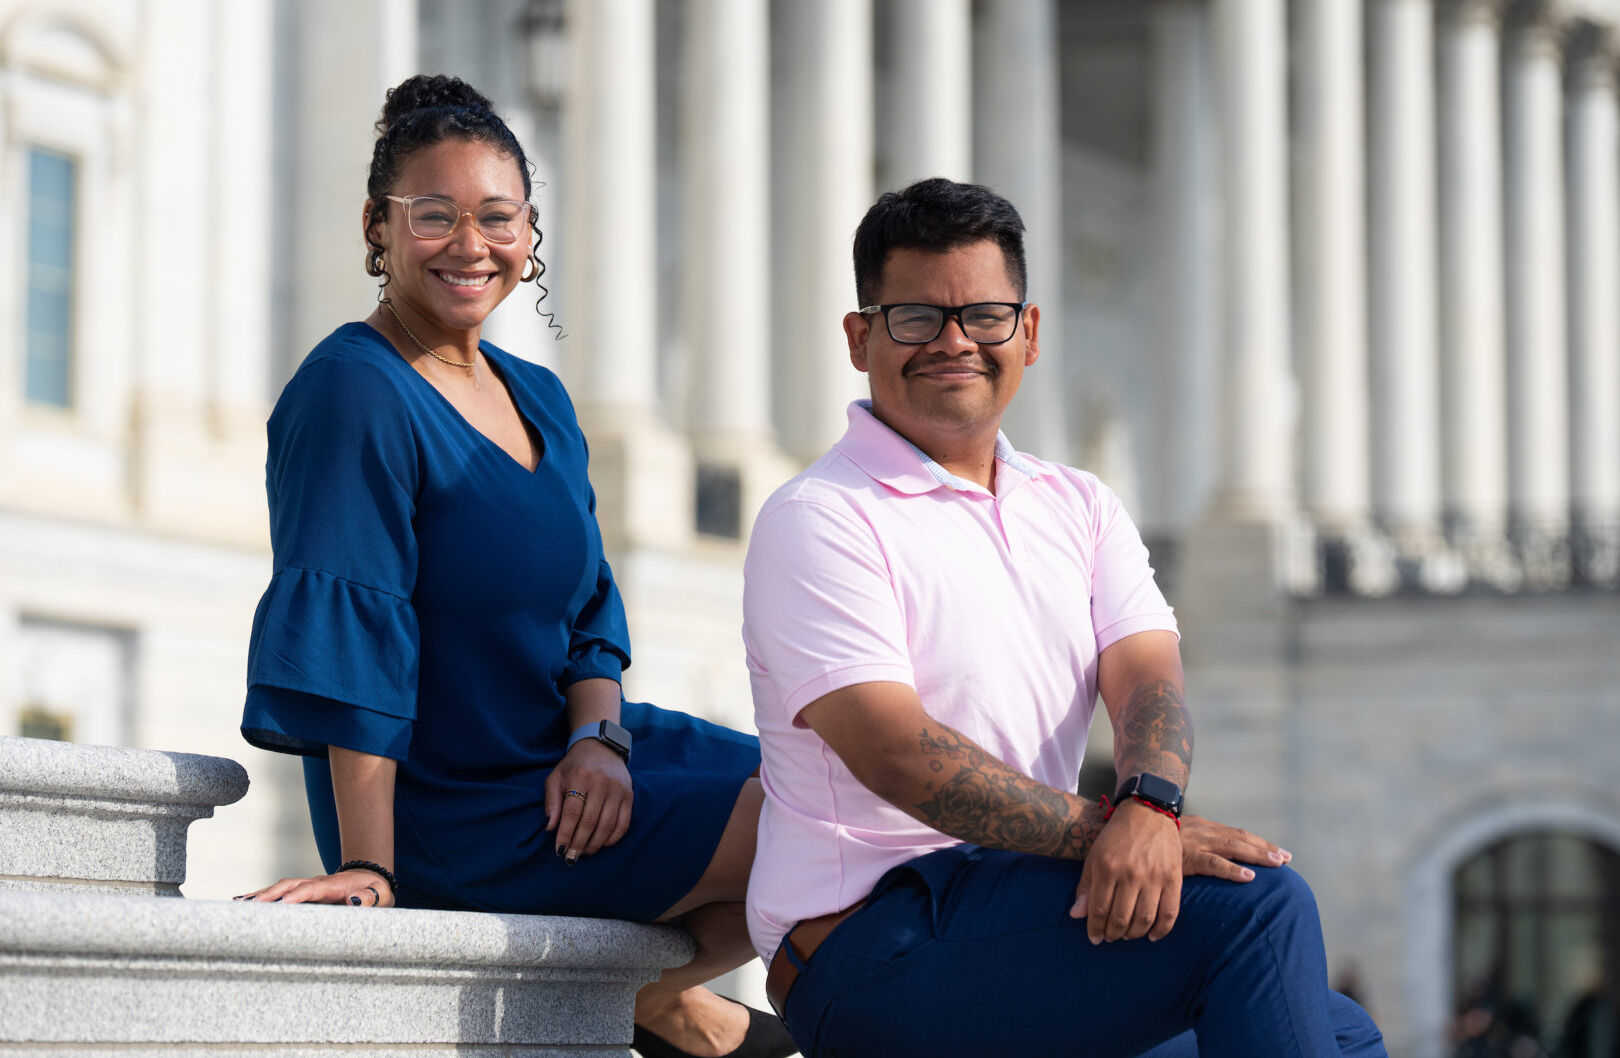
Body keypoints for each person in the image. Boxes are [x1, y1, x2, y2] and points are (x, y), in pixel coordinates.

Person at [740, 177, 1389, 1057]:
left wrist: (1150, 805)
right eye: (915, 318)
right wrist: (1110, 830)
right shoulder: (820, 515)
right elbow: (894, 752)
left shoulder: (1077, 504)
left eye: (984, 316)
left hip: (1017, 911)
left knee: (1338, 1030)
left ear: (1030, 333)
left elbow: (1148, 673)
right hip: (866, 943)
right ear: (861, 339)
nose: (954, 341)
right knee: (1261, 909)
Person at [235, 75, 793, 1058]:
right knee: (815, 828)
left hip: (569, 763)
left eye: (497, 217)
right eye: (434, 216)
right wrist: (371, 864)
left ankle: (654, 1004)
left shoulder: (539, 396)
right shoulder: (354, 392)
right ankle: (675, 1012)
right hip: (457, 804)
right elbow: (356, 635)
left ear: (530, 230)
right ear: (379, 224)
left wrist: (601, 745)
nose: (470, 245)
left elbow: (589, 612)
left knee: (840, 793)